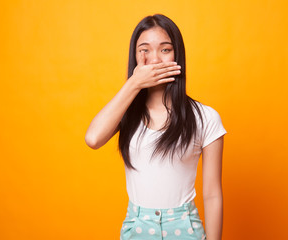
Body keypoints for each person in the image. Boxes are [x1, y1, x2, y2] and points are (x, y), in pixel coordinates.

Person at [85, 13, 227, 240]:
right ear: (135, 57)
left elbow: (212, 194)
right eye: (145, 50)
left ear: (177, 55)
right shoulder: (125, 113)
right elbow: (93, 139)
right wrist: (134, 83)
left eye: (165, 49)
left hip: (186, 229)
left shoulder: (205, 117)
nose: (155, 59)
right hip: (137, 228)